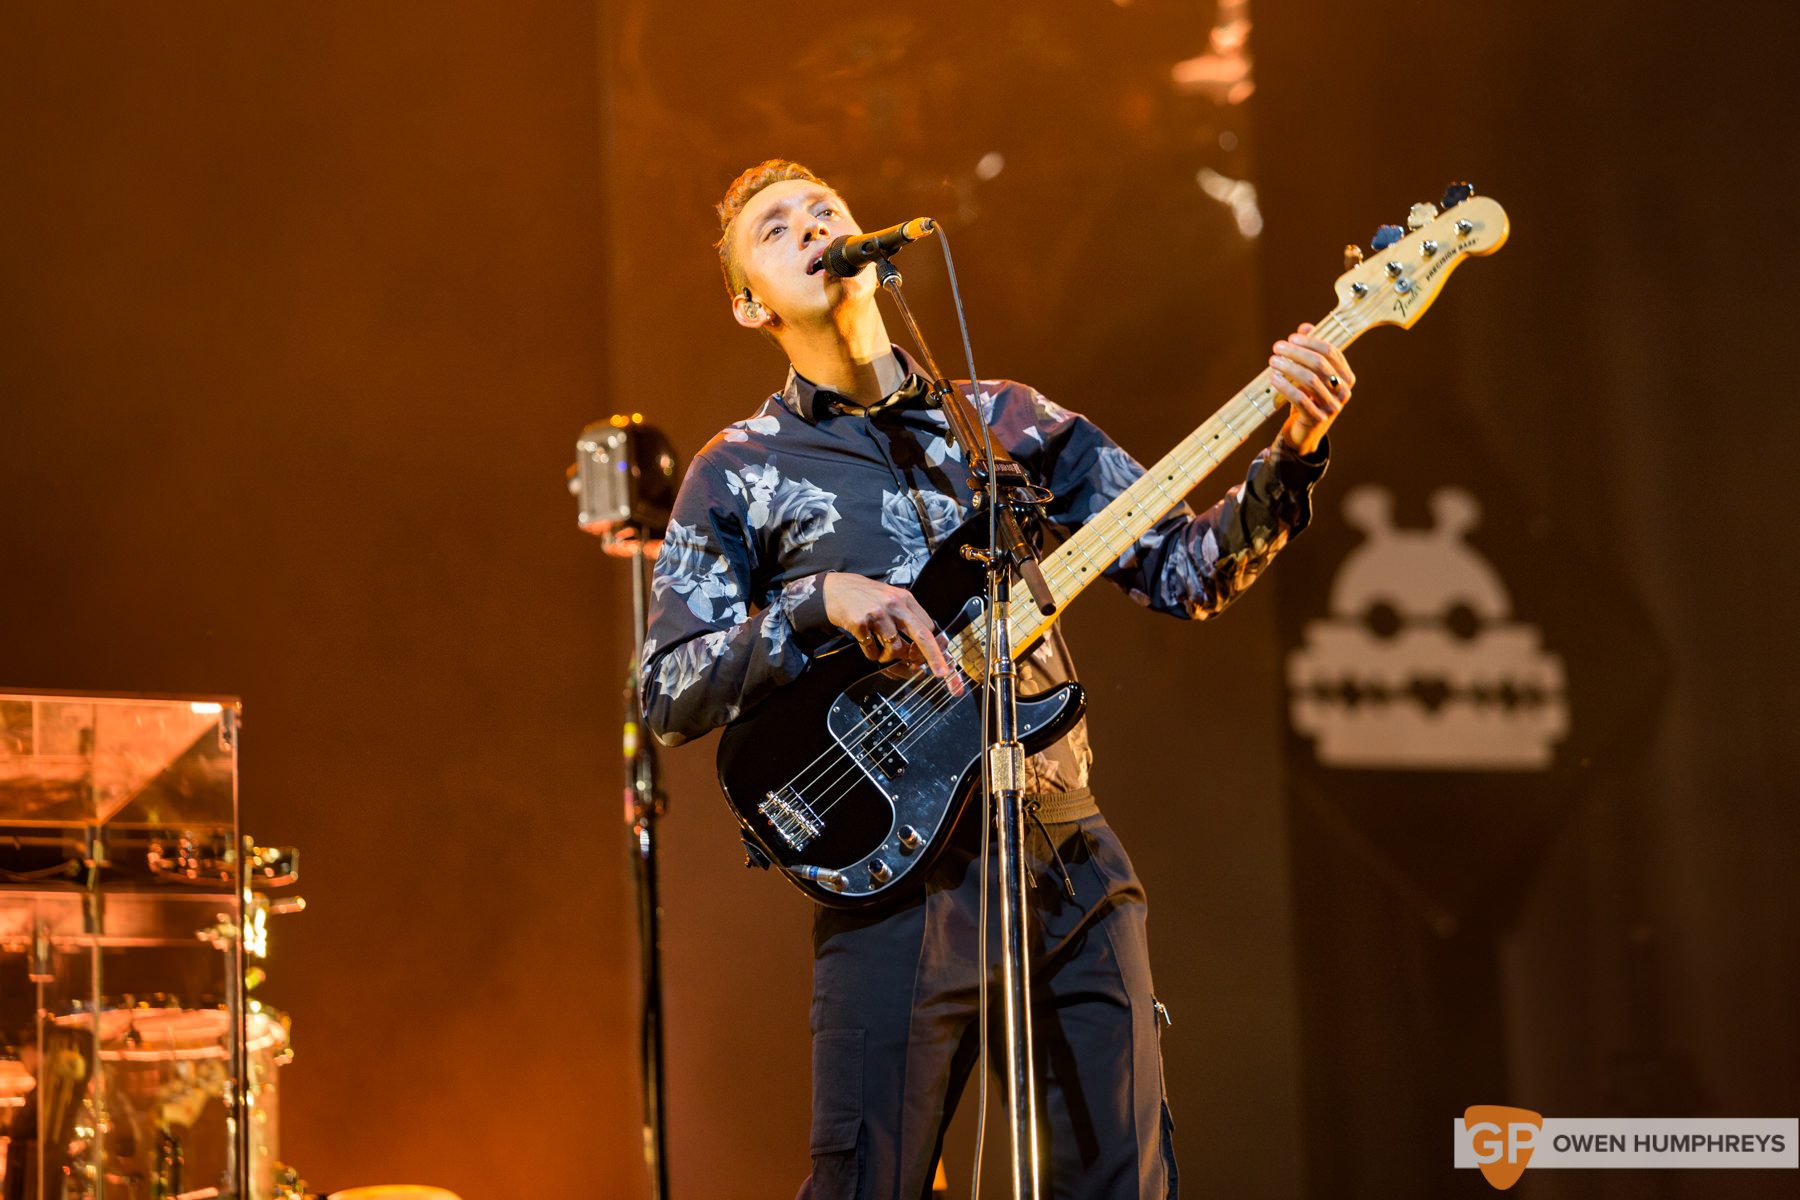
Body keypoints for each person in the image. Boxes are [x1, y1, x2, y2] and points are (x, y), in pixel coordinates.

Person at [640, 160, 1353, 1200]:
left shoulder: (1005, 422)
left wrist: (1293, 451)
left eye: (825, 209)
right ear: (749, 302)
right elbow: (667, 690)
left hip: (1064, 849)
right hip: (895, 884)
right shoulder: (739, 468)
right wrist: (818, 601)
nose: (812, 227)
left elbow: (1185, 570)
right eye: (775, 227)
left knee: (1125, 1183)